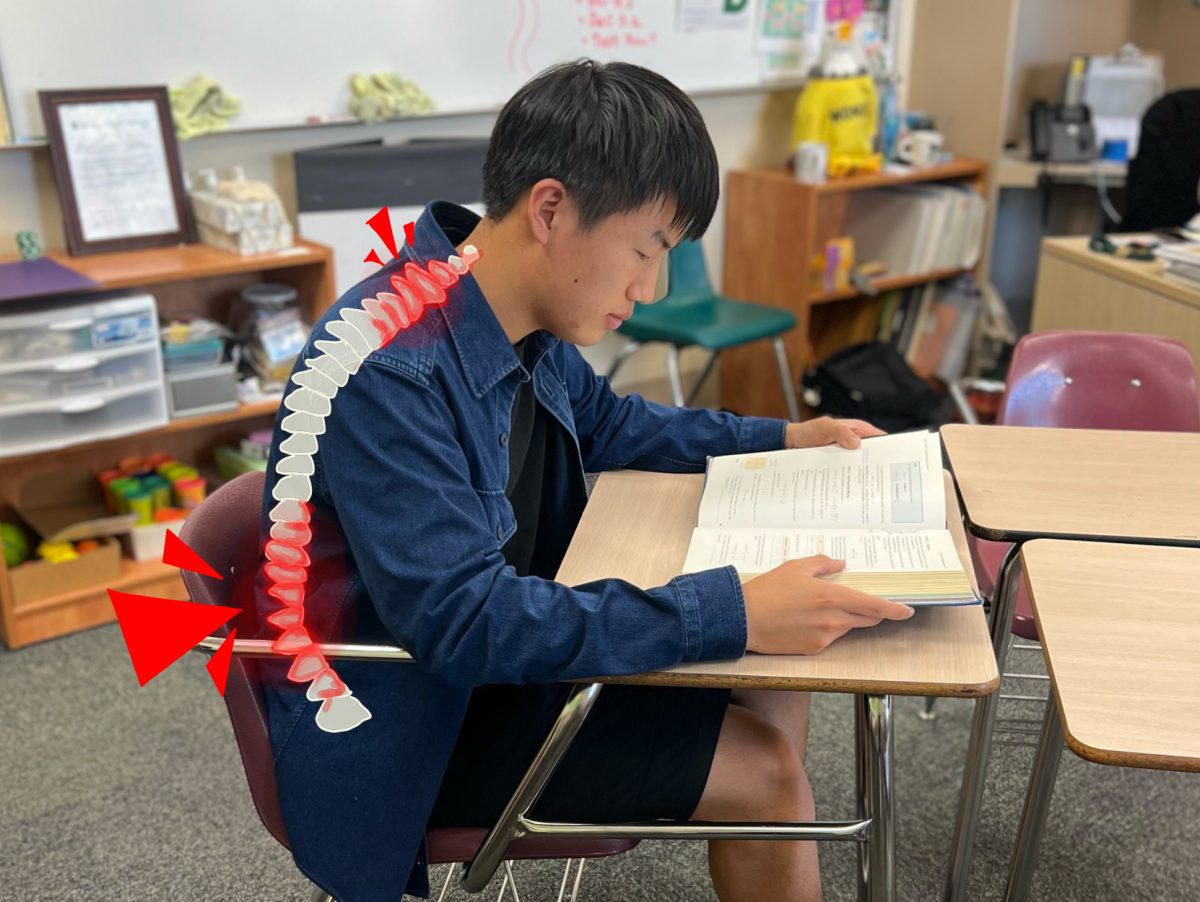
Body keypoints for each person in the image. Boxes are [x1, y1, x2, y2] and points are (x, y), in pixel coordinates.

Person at [257, 59, 914, 902]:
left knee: (771, 679)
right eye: (647, 249)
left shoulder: (505, 305)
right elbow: (466, 624)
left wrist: (785, 436)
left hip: (498, 661)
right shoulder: (392, 369)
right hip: (425, 721)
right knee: (768, 767)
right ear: (551, 209)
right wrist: (731, 606)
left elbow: (612, 424)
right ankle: (764, 788)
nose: (652, 288)